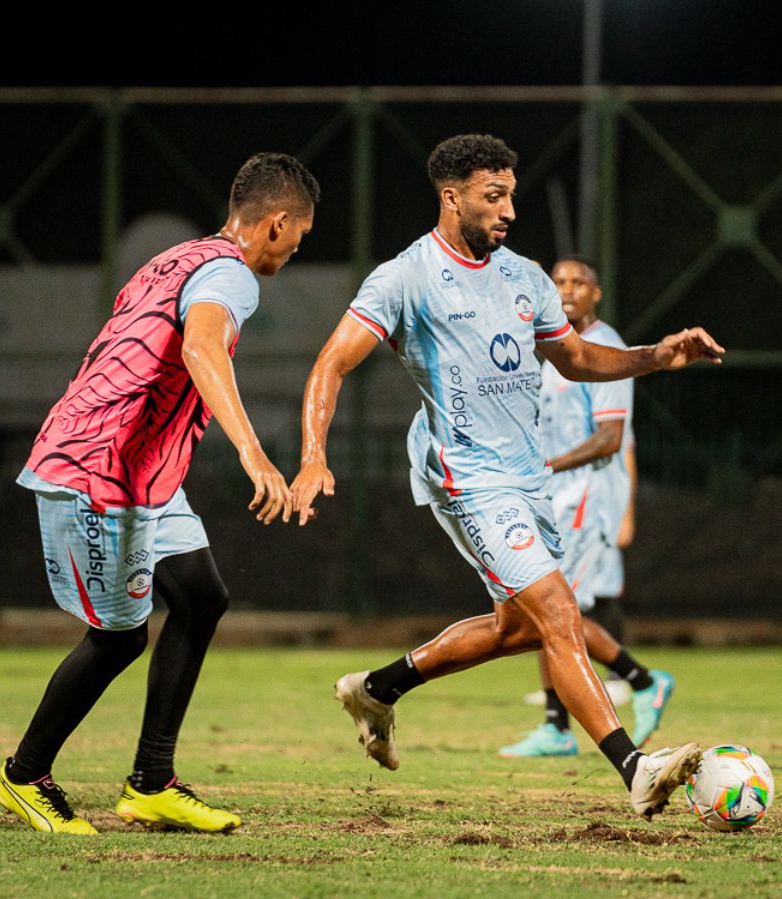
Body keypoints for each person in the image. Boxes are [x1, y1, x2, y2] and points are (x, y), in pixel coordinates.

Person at [289, 134, 724, 819]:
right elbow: (331, 364)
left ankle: (376, 689)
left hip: (525, 477)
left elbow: (575, 358)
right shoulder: (407, 277)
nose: (509, 211)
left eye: (511, 196)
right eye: (495, 197)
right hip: (464, 473)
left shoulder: (525, 278)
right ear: (451, 195)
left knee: (518, 630)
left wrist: (656, 355)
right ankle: (635, 769)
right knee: (559, 611)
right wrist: (314, 455)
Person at [0, 153, 320, 834]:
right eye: (299, 236)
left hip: (145, 473)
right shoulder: (232, 275)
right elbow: (201, 347)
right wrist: (255, 455)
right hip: (97, 468)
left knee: (201, 598)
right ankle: (23, 775)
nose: (294, 250)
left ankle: (151, 783)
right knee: (118, 639)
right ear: (278, 222)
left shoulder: (175, 258)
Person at [500, 256, 672, 758]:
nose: (568, 289)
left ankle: (636, 684)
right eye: (559, 282)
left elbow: (610, 438)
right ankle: (572, 718)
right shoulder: (553, 348)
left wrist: (547, 464)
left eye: (579, 282)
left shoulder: (608, 348)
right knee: (545, 610)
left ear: (596, 293)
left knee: (550, 611)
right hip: (553, 495)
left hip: (585, 497)